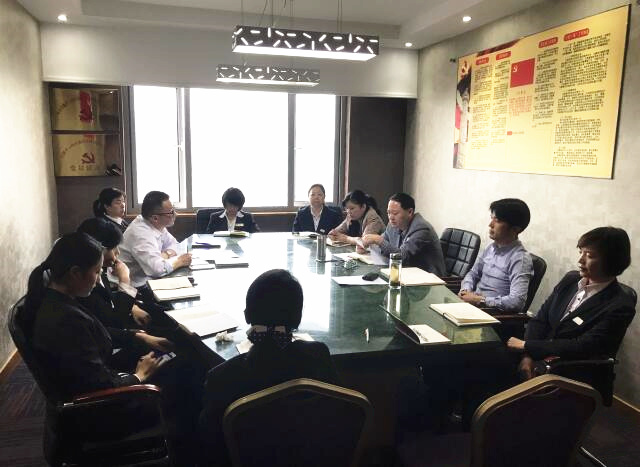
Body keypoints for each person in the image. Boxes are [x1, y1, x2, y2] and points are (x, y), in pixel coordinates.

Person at [199, 269, 338, 466]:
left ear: (247, 315)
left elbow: (211, 447)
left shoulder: (221, 378)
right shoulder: (319, 357)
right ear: (298, 318)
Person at [24, 232, 162, 400]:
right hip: (100, 402)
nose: (97, 280)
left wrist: (137, 336)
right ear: (75, 273)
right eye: (97, 272)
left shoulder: (58, 299)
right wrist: (139, 376)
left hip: (100, 373)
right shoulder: (67, 320)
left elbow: (92, 334)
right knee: (178, 369)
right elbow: (99, 384)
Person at [508, 227, 636, 380]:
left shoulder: (620, 304)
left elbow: (582, 346)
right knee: (487, 358)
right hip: (537, 358)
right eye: (580, 252)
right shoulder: (571, 279)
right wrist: (527, 356)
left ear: (612, 261)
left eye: (589, 255)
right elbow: (540, 320)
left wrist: (527, 346)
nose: (580, 260)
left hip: (569, 372)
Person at [76, 217, 174, 357]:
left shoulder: (99, 269)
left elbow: (108, 299)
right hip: (111, 345)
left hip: (119, 328)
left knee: (165, 316)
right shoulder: (85, 282)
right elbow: (116, 322)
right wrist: (124, 281)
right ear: (98, 248)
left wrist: (133, 306)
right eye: (113, 248)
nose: (118, 253)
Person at [459, 198, 533, 312]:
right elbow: (473, 274)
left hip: (492, 315)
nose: (490, 225)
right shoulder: (490, 248)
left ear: (515, 229)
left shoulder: (520, 259)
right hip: (472, 308)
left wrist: (480, 300)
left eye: (497, 221)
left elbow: (517, 301)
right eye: (491, 219)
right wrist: (465, 290)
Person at [119, 191, 191, 288]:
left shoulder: (156, 224)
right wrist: (179, 261)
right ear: (155, 218)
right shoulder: (140, 233)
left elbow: (175, 245)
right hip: (133, 287)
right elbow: (157, 270)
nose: (175, 214)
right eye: (171, 212)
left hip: (148, 279)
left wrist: (166, 254)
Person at [362, 192, 445, 276]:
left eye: (395, 213)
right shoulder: (392, 225)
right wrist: (367, 246)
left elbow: (402, 257)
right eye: (388, 213)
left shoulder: (421, 228)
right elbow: (383, 244)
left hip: (429, 279)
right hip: (406, 274)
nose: (391, 217)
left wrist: (378, 240)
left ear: (410, 212)